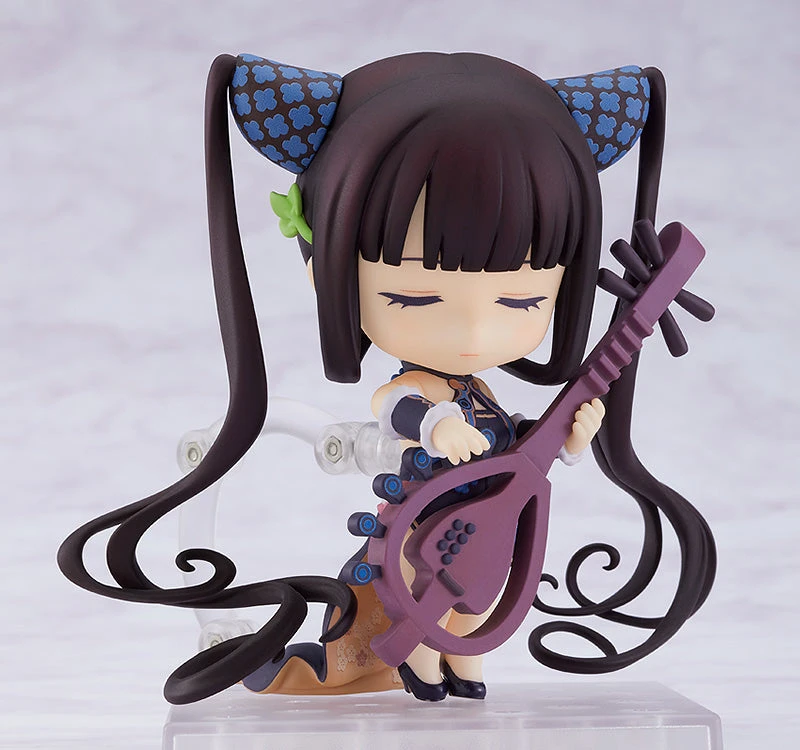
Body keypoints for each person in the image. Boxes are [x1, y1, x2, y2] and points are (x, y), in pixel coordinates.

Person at [58, 52, 716, 704]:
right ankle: (418, 672)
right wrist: (438, 426)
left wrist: (570, 439)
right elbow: (399, 409)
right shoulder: (422, 392)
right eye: (415, 298)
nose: (472, 332)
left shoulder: (480, 393)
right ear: (325, 272)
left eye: (520, 302)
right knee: (426, 602)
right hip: (423, 527)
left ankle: (466, 673)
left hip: (485, 530)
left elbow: (517, 443)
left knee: (473, 610)